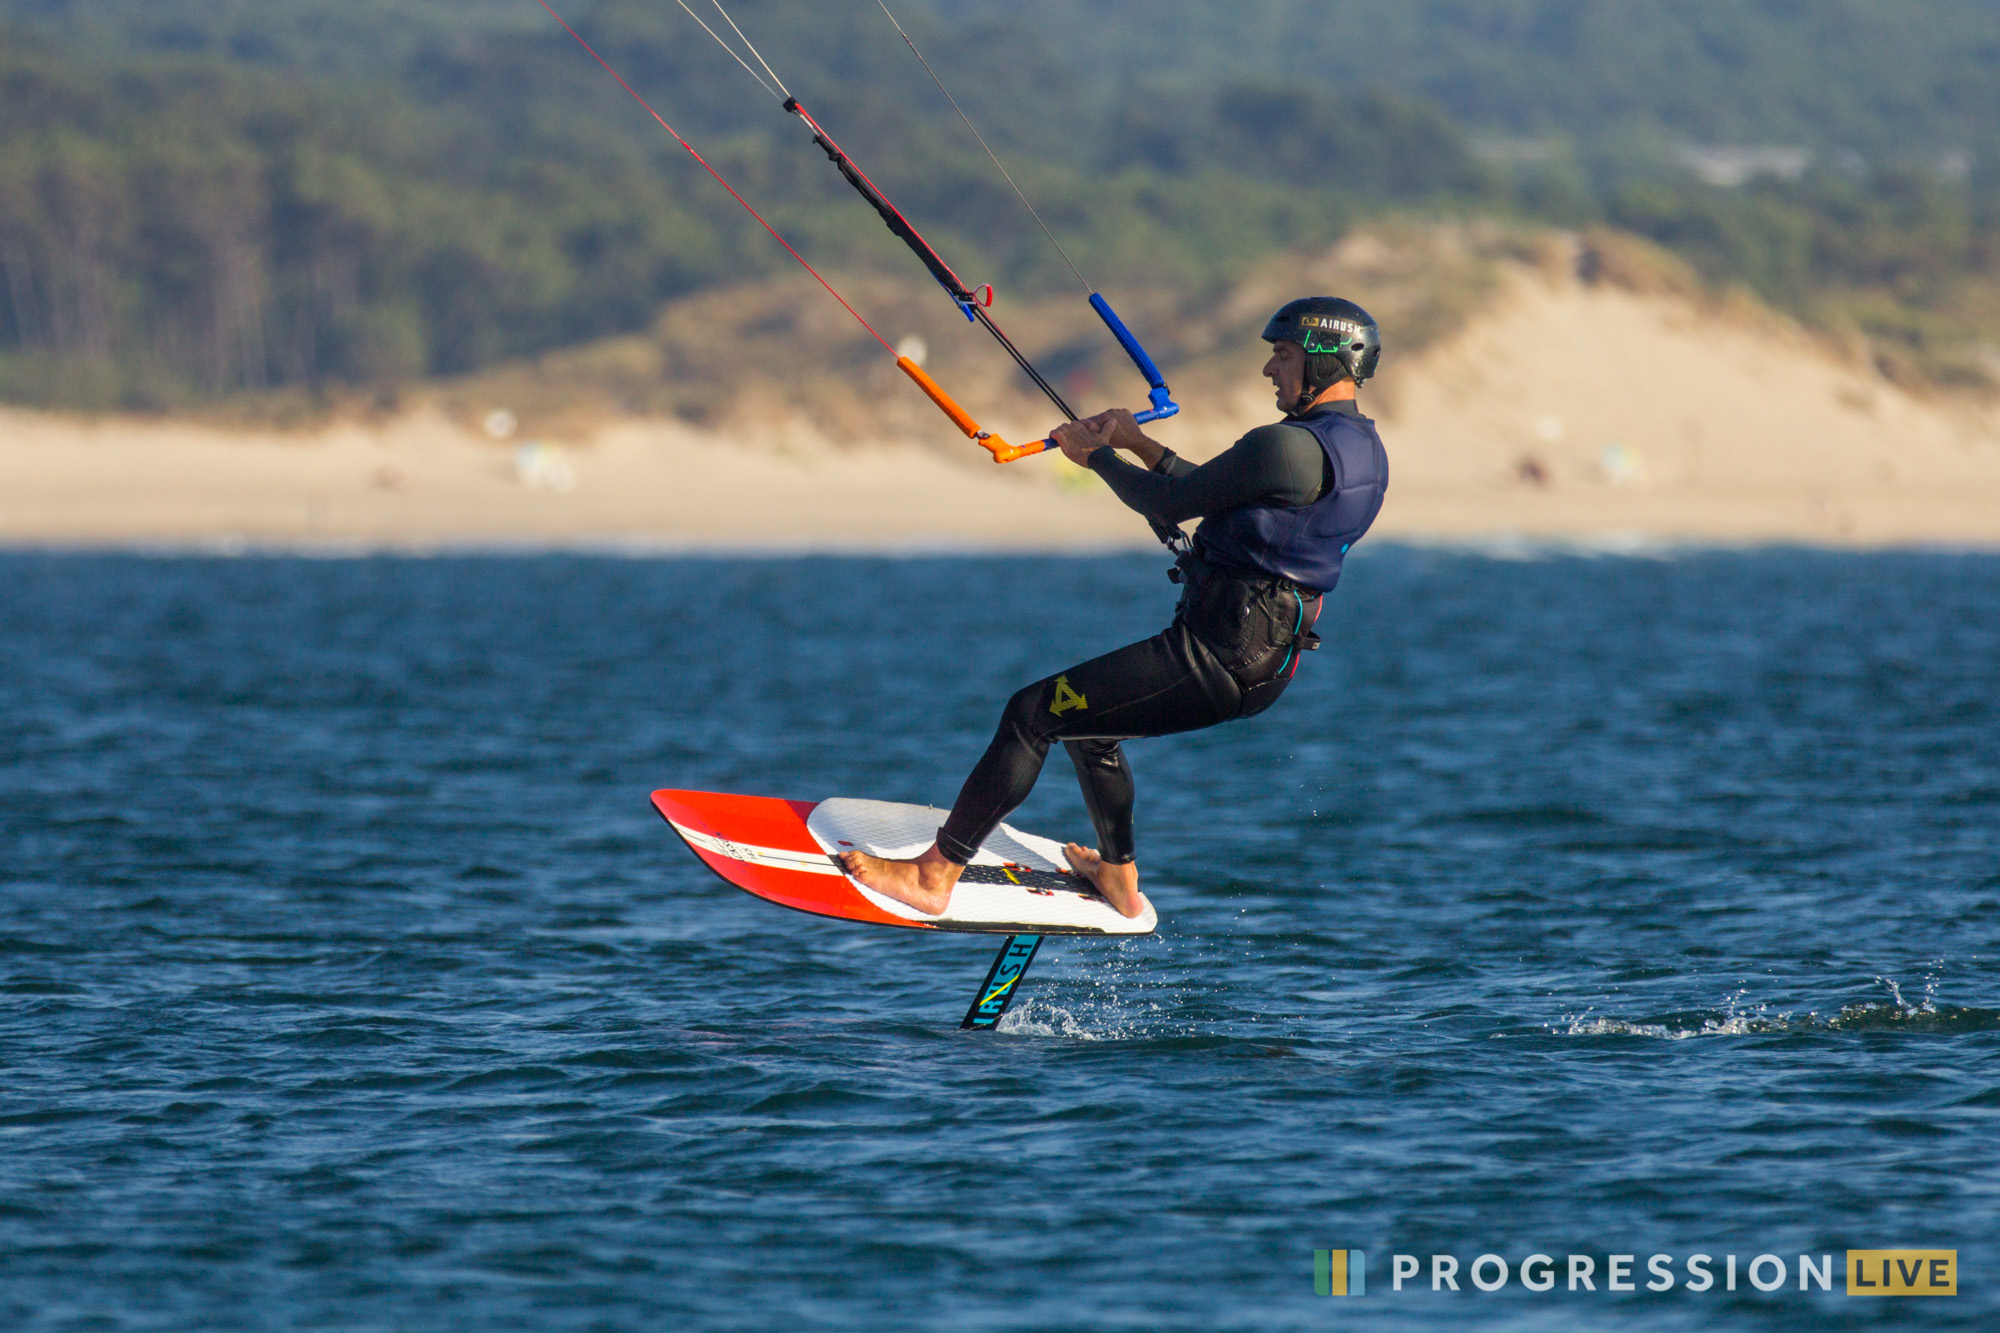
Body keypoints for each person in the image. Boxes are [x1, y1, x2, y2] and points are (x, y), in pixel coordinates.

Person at [839, 297, 1389, 917]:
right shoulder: (1358, 449)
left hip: (1215, 656)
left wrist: (1096, 456)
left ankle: (933, 876)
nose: (1269, 371)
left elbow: (1175, 501)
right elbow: (1218, 494)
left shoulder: (1286, 445)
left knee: (1033, 714)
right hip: (1265, 664)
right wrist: (1137, 443)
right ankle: (1119, 879)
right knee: (1089, 723)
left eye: (1282, 356)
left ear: (1322, 360)